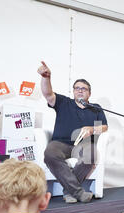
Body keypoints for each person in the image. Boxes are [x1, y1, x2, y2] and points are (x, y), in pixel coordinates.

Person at [37, 61, 108, 204]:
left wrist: (92, 129)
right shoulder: (64, 102)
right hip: (60, 143)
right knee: (50, 154)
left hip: (84, 146)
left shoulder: (96, 108)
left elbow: (104, 127)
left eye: (84, 88)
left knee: (92, 154)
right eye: (77, 88)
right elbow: (48, 94)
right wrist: (46, 78)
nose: (80, 90)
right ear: (73, 91)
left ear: (89, 93)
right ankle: (78, 192)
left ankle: (69, 191)